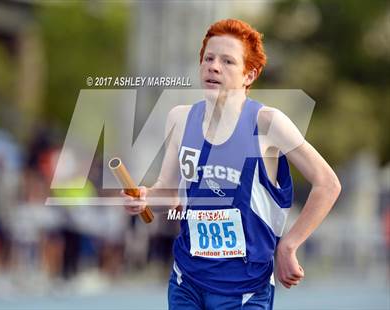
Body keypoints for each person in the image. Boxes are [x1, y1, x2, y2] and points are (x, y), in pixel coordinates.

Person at [121, 19, 341, 309]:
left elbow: (327, 184)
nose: (214, 66)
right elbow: (169, 191)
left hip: (246, 290)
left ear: (249, 75)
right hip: (187, 280)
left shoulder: (267, 123)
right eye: (209, 58)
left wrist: (289, 245)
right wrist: (146, 196)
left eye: (227, 61)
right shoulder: (180, 118)